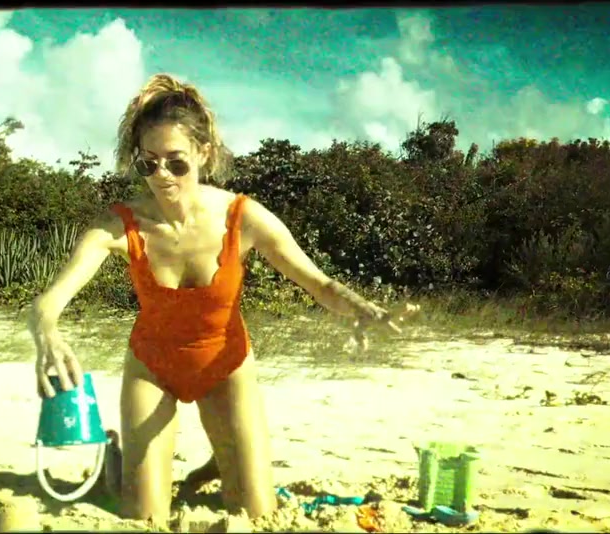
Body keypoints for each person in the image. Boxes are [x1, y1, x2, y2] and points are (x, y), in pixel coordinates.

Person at [28, 73, 408, 523]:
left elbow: (318, 283)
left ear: (203, 153)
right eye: (148, 164)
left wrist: (362, 308)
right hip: (152, 367)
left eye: (176, 163)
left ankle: (224, 457)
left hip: (225, 366)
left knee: (257, 513)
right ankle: (120, 460)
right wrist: (46, 333)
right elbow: (49, 300)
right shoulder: (120, 224)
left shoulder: (242, 216)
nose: (162, 176)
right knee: (143, 516)